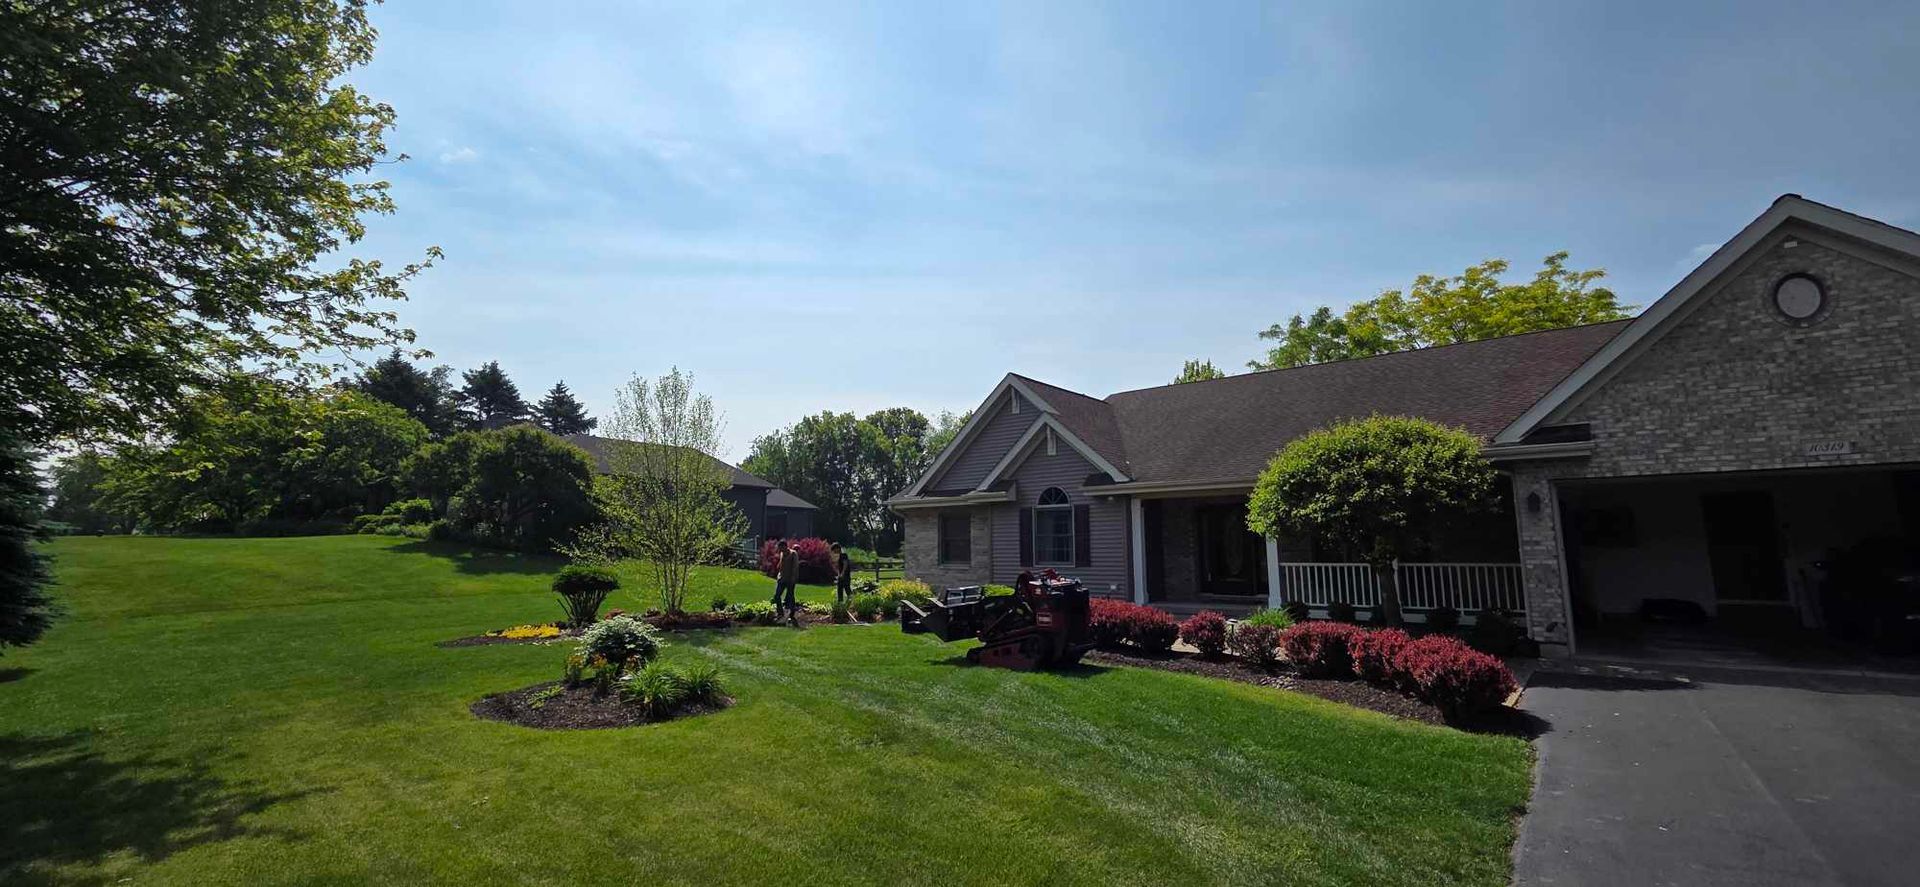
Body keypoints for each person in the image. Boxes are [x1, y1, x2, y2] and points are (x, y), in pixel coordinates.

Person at [770, 538, 799, 625]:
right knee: (777, 596)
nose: (780, 550)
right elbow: (781, 564)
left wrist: (793, 578)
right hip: (782, 578)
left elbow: (795, 567)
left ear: (785, 546)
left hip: (790, 579)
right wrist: (778, 574)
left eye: (781, 548)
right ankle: (780, 613)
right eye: (779, 548)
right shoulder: (782, 553)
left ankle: (792, 614)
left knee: (790, 597)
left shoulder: (793, 554)